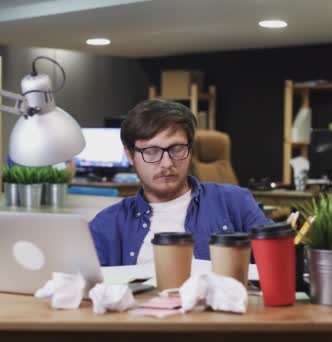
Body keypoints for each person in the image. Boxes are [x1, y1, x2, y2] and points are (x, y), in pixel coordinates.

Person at [90, 99, 271, 266]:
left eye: (177, 149)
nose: (167, 163)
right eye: (151, 151)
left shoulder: (234, 202)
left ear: (190, 150)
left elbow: (275, 263)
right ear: (130, 155)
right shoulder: (107, 224)